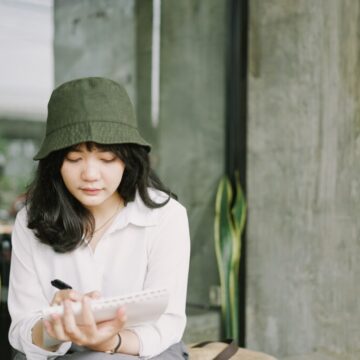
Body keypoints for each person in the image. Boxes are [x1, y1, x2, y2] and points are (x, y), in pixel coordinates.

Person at [8, 77, 190, 359]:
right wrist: (55, 328)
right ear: (55, 163)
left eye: (106, 158)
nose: (91, 174)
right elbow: (22, 329)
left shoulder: (166, 218)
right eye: (73, 158)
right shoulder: (30, 221)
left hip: (140, 352)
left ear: (128, 159)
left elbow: (167, 324)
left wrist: (108, 342)